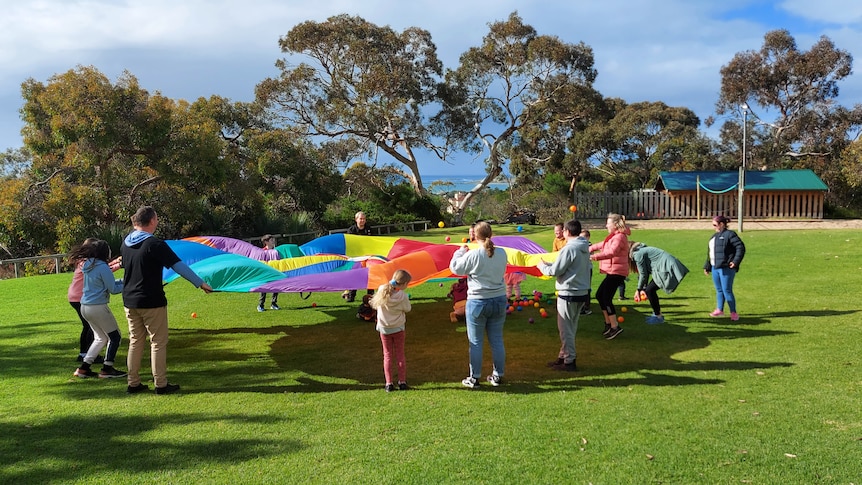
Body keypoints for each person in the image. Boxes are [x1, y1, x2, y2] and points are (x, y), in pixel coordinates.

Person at [121, 206, 213, 395]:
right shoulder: (155, 244)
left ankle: (133, 382)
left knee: (135, 341)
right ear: (152, 221)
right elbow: (179, 266)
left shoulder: (125, 243)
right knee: (158, 342)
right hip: (151, 301)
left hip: (129, 300)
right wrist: (200, 283)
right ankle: (161, 384)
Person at [449, 221, 508, 389]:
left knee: (475, 342)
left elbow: (455, 268)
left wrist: (459, 252)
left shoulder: (473, 255)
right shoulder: (502, 253)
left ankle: (474, 378)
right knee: (497, 340)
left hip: (478, 302)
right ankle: (498, 375)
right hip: (499, 299)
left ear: (475, 235)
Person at [539, 219, 591, 371]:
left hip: (569, 293)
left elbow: (555, 271)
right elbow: (567, 267)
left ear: (567, 232)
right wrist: (549, 264)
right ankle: (563, 356)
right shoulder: (583, 247)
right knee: (570, 328)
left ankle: (569, 361)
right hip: (581, 292)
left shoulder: (569, 249)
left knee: (565, 329)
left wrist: (542, 266)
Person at [72, 240, 128, 379]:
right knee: (115, 337)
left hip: (85, 306)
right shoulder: (102, 267)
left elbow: (106, 284)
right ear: (105, 252)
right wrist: (129, 285)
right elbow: (113, 289)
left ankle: (83, 369)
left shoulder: (89, 265)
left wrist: (124, 281)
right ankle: (107, 368)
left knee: (100, 338)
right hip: (98, 307)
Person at [589, 213, 631, 340]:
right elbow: (602, 245)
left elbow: (612, 252)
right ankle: (608, 323)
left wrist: (594, 256)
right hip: (613, 272)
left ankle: (615, 326)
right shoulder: (614, 236)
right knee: (600, 296)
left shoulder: (620, 237)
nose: (606, 225)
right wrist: (589, 248)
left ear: (615, 224)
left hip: (617, 272)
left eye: (608, 223)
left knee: (606, 298)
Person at [370, 269, 412, 392]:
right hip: (398, 328)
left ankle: (389, 383)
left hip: (384, 329)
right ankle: (402, 382)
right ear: (403, 284)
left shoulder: (382, 290)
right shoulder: (402, 296)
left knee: (387, 355)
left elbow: (376, 304)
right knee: (400, 355)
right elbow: (407, 309)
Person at [629, 242, 690, 324]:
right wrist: (643, 288)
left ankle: (658, 316)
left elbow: (643, 274)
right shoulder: (640, 250)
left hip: (666, 268)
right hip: (666, 266)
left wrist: (639, 289)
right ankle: (657, 315)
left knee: (650, 290)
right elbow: (644, 273)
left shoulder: (637, 254)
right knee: (649, 290)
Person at [704, 215, 746, 321]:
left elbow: (740, 247)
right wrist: (707, 266)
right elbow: (710, 253)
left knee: (727, 290)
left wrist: (735, 262)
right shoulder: (714, 237)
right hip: (715, 268)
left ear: (721, 224)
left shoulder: (730, 234)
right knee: (719, 290)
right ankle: (719, 310)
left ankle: (733, 313)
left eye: (715, 224)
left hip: (726, 268)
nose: (713, 227)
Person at [68, 238, 101, 363]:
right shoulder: (87, 263)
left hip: (75, 297)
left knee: (88, 326)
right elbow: (102, 270)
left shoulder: (82, 261)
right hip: (79, 297)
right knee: (90, 326)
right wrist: (118, 264)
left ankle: (84, 353)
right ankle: (88, 354)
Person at [343, 211, 373, 303]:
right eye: (360, 219)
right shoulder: (351, 230)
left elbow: (373, 241)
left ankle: (370, 296)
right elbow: (349, 244)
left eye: (364, 219)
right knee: (355, 275)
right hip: (356, 257)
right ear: (356, 219)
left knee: (370, 275)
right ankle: (351, 296)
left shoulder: (369, 229)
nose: (362, 220)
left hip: (368, 256)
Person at [257, 234, 280, 312]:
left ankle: (273, 303)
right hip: (266, 273)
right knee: (264, 288)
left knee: (276, 287)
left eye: (274, 240)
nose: (273, 241)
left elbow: (278, 261)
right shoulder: (262, 251)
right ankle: (261, 305)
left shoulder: (276, 251)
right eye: (271, 240)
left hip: (275, 271)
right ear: (266, 242)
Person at [578, 230, 594, 315]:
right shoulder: (581, 245)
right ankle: (581, 306)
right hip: (581, 269)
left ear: (588, 237)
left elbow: (589, 255)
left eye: (583, 237)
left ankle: (586, 307)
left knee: (587, 288)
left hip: (587, 269)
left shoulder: (589, 245)